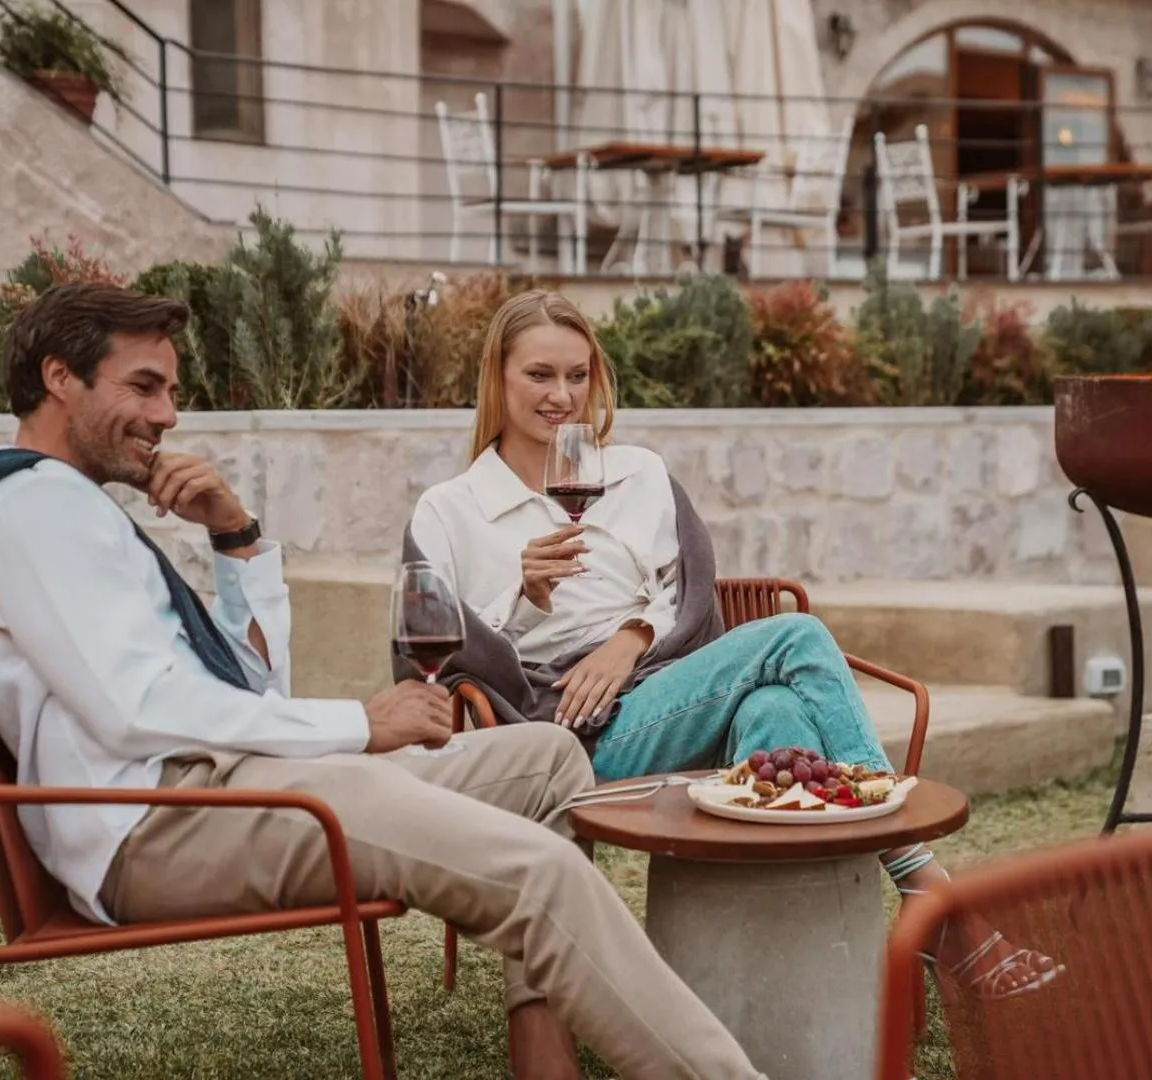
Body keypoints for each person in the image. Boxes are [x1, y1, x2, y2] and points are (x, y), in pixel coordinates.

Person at [0, 282, 770, 1080]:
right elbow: (137, 711)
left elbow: (252, 691)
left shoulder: (66, 505)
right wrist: (361, 724)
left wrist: (235, 540)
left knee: (542, 758)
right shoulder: (32, 508)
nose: (169, 415)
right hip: (164, 822)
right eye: (144, 386)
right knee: (539, 873)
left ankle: (539, 1046)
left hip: (226, 783)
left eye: (170, 389)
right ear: (58, 378)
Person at [407, 290, 1061, 1001]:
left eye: (578, 374)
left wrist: (631, 637)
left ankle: (783, 987)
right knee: (797, 636)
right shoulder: (450, 510)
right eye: (539, 375)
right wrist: (519, 596)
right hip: (566, 739)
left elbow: (690, 597)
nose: (562, 396)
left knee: (776, 713)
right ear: (496, 378)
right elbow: (427, 659)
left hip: (665, 696)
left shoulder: (636, 474)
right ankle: (924, 885)